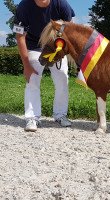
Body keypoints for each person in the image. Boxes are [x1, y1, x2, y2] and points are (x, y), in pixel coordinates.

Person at [14, 0, 75, 132]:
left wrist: (62, 51)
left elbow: (70, 30)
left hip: (56, 47)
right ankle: (32, 118)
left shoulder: (61, 4)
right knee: (33, 80)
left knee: (62, 78)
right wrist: (27, 66)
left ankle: (60, 115)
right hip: (34, 46)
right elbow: (19, 36)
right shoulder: (24, 6)